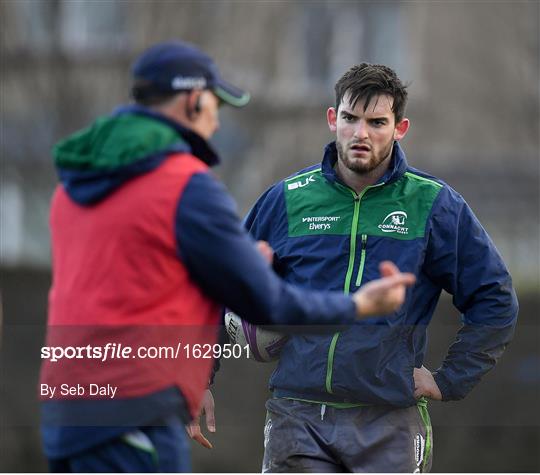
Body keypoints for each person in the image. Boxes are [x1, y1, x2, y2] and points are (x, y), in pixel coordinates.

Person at [39, 43, 416, 473]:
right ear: (193, 100)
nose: (217, 121)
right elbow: (268, 303)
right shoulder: (184, 185)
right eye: (216, 106)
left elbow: (132, 286)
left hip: (66, 407)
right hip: (135, 410)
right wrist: (359, 305)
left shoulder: (76, 183)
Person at [244, 63, 519, 472]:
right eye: (351, 119)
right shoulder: (286, 199)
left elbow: (495, 300)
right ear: (332, 118)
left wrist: (449, 379)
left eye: (377, 122)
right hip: (297, 416)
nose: (361, 134)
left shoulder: (435, 205)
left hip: (389, 422)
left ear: (399, 128)